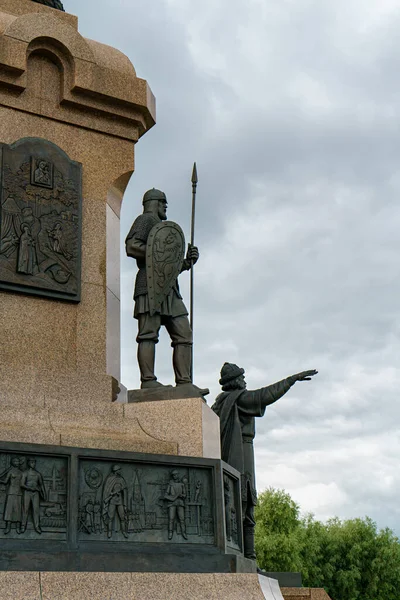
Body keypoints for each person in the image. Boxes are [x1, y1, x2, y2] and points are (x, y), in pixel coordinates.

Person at [212, 363, 318, 559]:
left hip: (243, 450)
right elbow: (264, 395)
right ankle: (246, 555)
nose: (244, 380)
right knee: (242, 501)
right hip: (240, 453)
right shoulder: (237, 398)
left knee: (246, 501)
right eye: (241, 377)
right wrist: (290, 381)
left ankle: (249, 556)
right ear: (235, 381)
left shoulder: (224, 402)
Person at [125, 189, 199, 388]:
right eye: (163, 202)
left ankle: (184, 382)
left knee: (184, 334)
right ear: (154, 203)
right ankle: (148, 381)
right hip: (148, 284)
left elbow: (168, 265)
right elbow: (131, 246)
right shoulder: (145, 220)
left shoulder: (161, 227)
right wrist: (157, 252)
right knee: (148, 333)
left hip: (170, 288)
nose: (166, 206)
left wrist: (185, 262)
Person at [20, 458, 46, 534]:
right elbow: (22, 484)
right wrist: (30, 488)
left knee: (36, 510)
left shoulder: (38, 474)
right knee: (25, 509)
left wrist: (44, 494)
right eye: (31, 462)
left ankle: (37, 527)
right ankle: (23, 526)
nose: (33, 464)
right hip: (27, 492)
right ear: (28, 463)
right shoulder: (25, 473)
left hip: (36, 494)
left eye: (34, 462)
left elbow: (41, 485)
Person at [102, 465, 128, 539]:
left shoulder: (121, 479)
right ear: (116, 470)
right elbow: (107, 491)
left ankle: (124, 532)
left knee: (122, 517)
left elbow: (125, 492)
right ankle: (109, 531)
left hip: (120, 502)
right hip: (112, 501)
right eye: (119, 469)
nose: (120, 471)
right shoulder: (110, 479)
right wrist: (112, 493)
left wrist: (125, 504)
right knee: (110, 517)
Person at [0, 457, 23, 534]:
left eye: (18, 461)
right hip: (11, 492)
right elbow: (6, 481)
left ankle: (18, 527)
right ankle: (8, 527)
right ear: (12, 463)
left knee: (18, 510)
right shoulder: (10, 471)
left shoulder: (21, 472)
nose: (17, 462)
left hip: (19, 493)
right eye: (15, 461)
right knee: (9, 509)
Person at [164, 469, 187, 540]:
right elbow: (165, 495)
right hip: (172, 503)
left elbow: (185, 495)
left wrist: (181, 495)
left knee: (182, 519)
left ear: (178, 475)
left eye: (176, 474)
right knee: (171, 519)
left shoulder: (182, 485)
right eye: (173, 475)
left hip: (180, 503)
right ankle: (170, 532)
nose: (174, 476)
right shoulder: (170, 485)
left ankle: (184, 532)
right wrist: (171, 498)